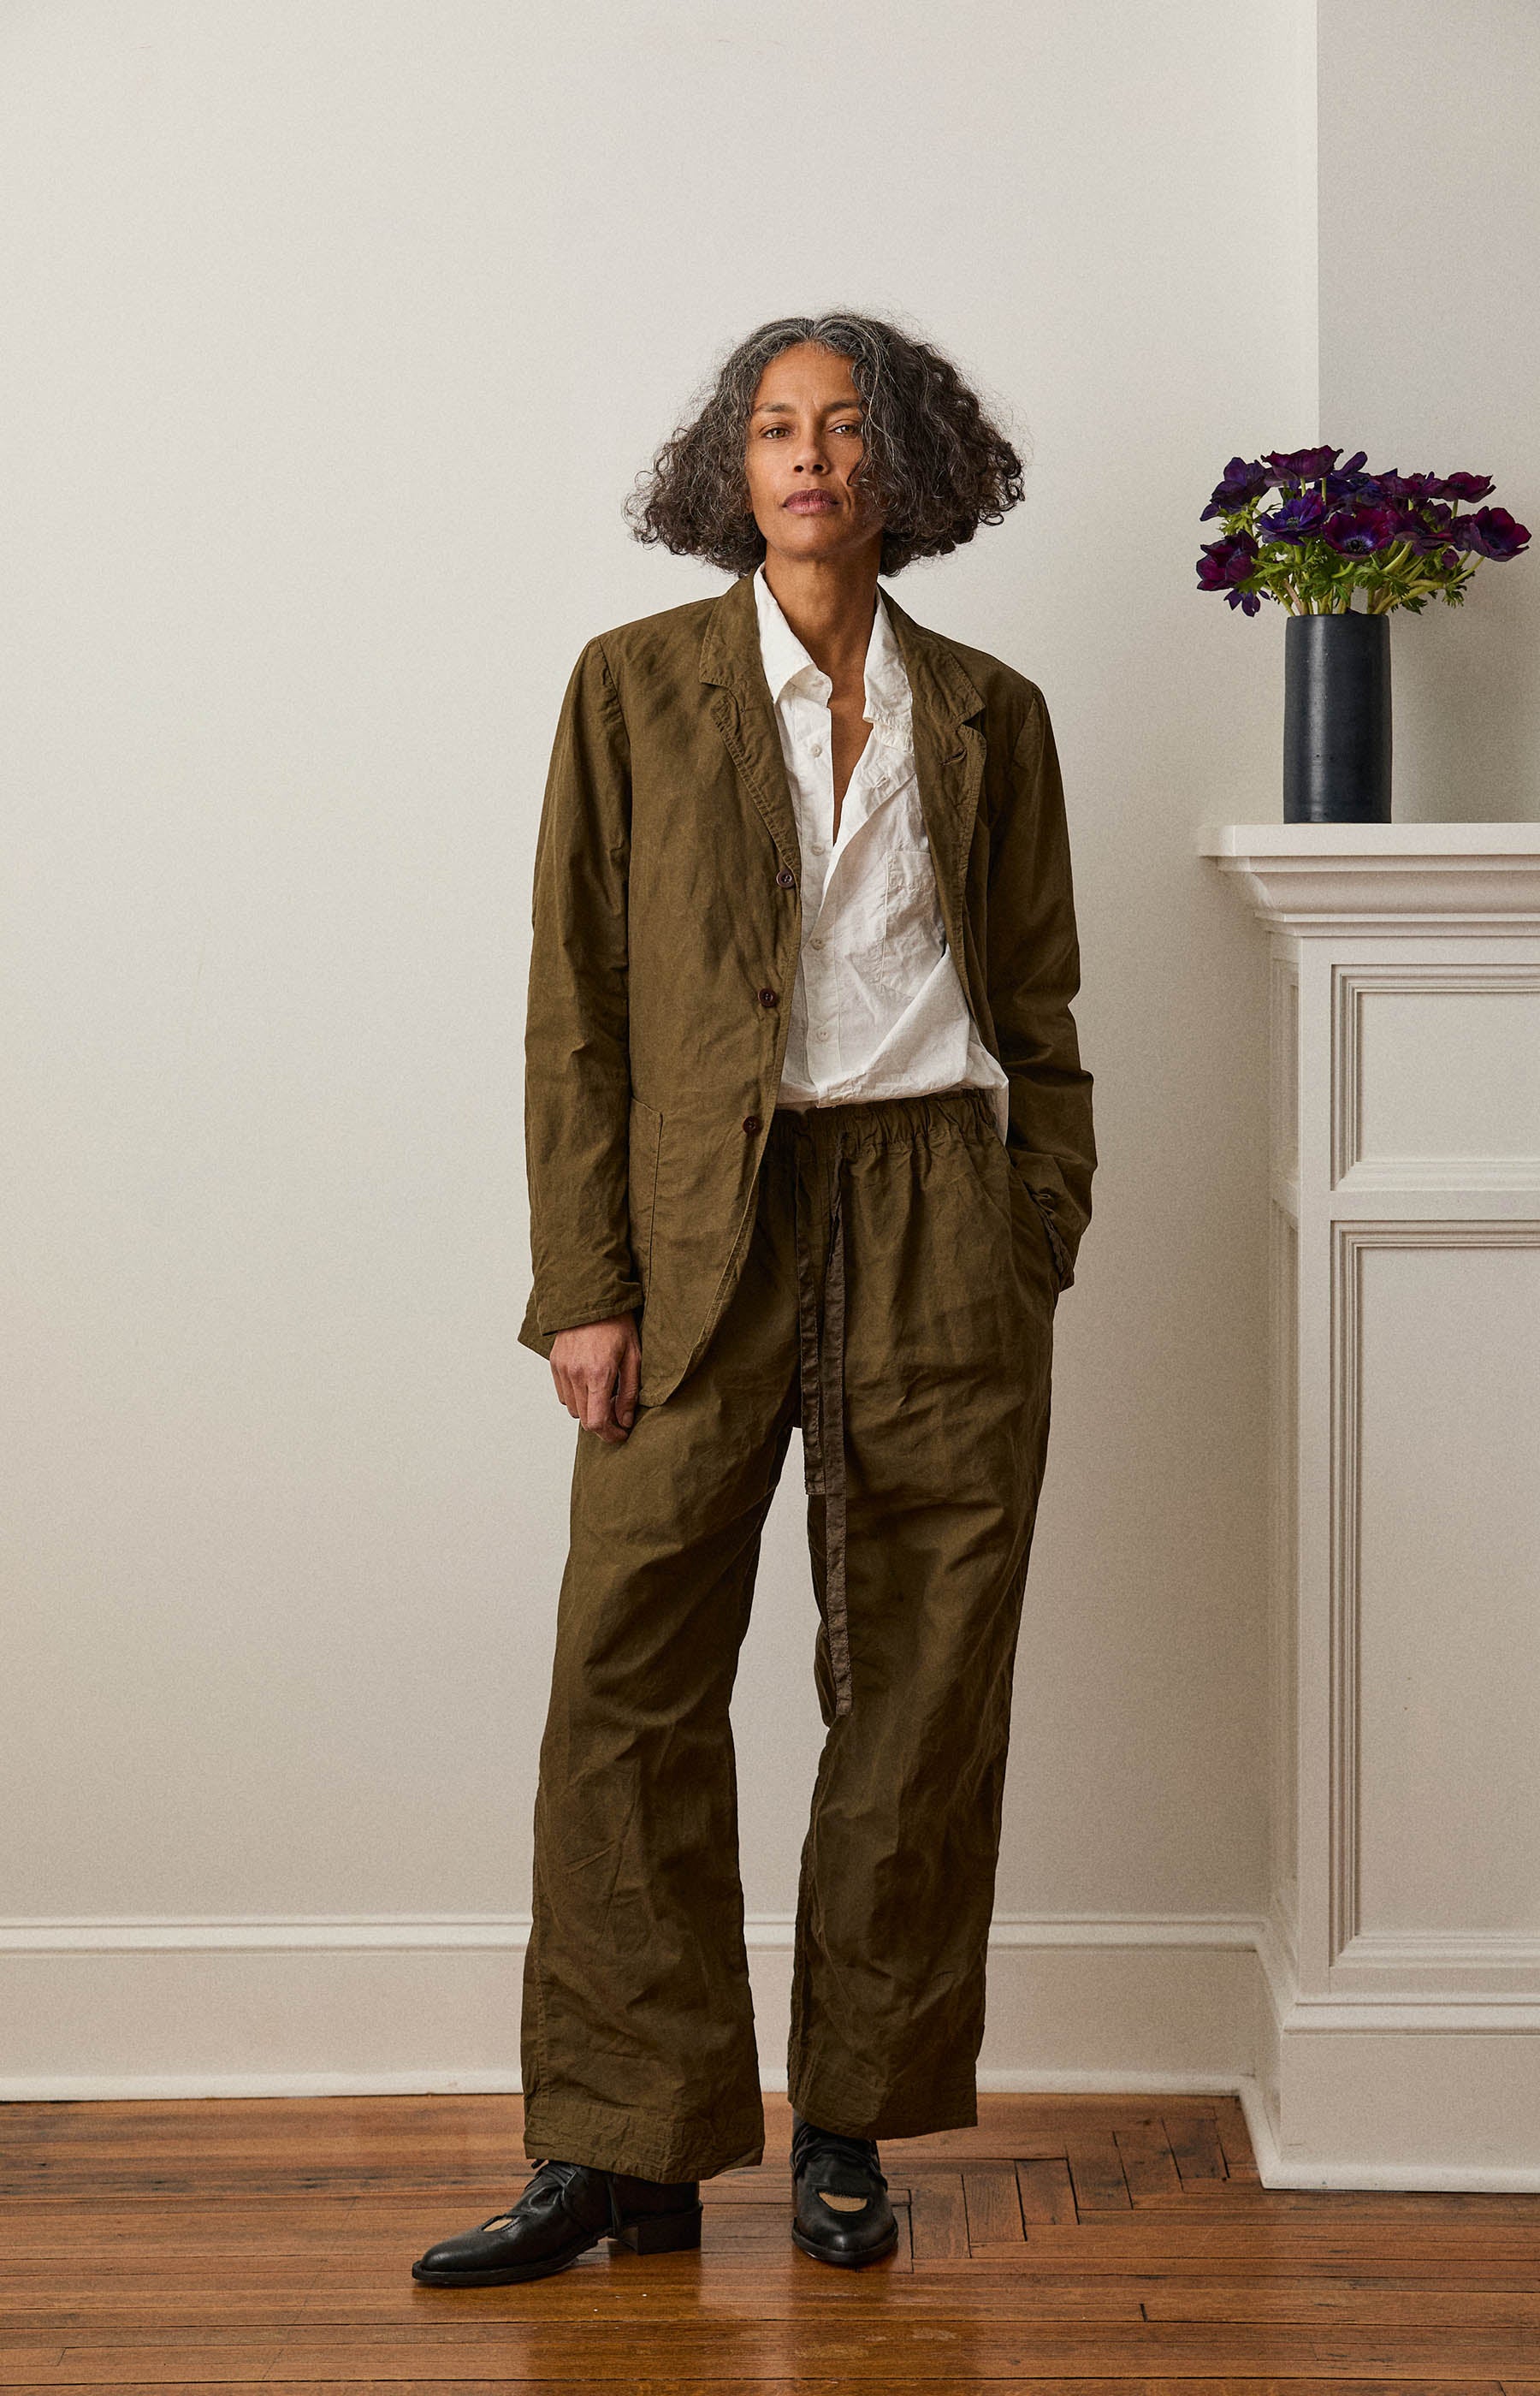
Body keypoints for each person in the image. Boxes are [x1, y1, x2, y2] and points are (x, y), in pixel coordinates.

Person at [412, 311, 1096, 2287]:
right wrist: (585, 1281)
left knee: (920, 1682)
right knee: (626, 1671)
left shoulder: (994, 712)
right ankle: (622, 2146)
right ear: (732, 467)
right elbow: (576, 1005)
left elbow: (1041, 1002)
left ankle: (852, 2126)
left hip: (936, 1213)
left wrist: (1032, 1222)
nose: (811, 456)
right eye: (778, 426)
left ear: (909, 466)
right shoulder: (631, 687)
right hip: (701, 1221)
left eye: (849, 426)